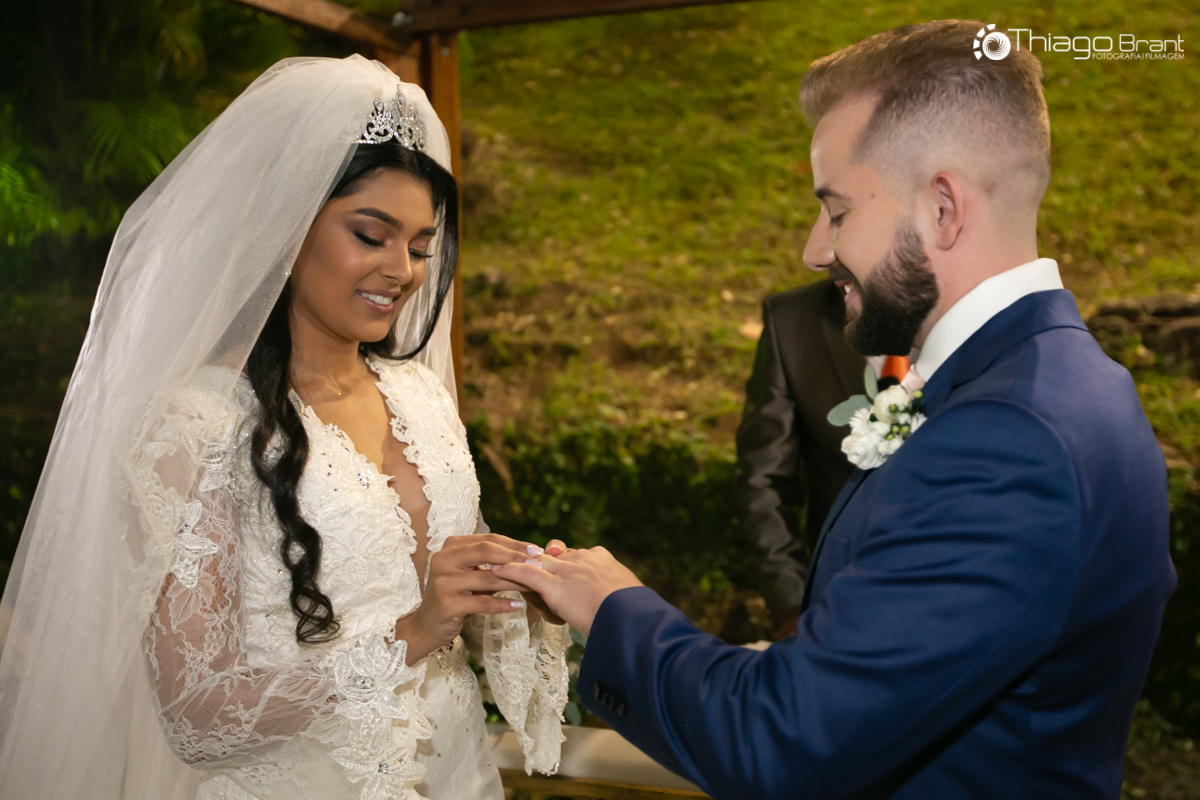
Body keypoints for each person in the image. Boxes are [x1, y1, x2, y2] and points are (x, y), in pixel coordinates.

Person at [498, 20, 1176, 800]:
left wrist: (614, 607)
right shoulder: (1076, 384)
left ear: (943, 208)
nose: (814, 249)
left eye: (838, 210)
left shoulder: (1006, 439)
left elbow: (782, 741)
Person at [0, 56, 567, 800]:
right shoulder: (198, 426)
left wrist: (518, 592)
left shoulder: (422, 397)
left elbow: (445, 608)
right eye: (371, 235)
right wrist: (408, 634)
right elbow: (198, 718)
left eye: (420, 247)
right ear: (288, 229)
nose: (403, 270)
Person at [738, 281, 910, 638]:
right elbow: (763, 478)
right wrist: (792, 604)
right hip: (835, 606)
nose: (816, 257)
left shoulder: (968, 310)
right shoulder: (792, 319)